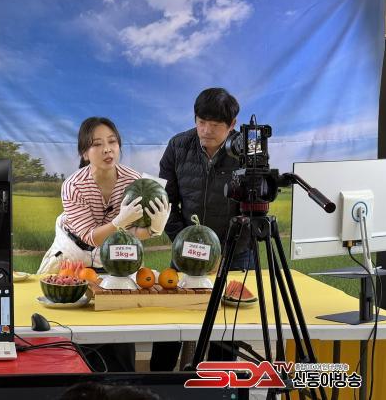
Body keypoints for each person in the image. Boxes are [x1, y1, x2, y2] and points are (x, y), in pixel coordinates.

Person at [38, 116, 171, 372]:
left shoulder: (136, 181)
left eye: (112, 142)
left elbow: (134, 233)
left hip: (117, 255)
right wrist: (119, 222)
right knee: (71, 331)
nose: (107, 149)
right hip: (74, 254)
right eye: (97, 144)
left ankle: (122, 384)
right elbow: (90, 236)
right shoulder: (73, 186)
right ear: (84, 153)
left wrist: (154, 228)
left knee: (119, 332)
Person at [150, 88, 254, 372]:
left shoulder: (248, 152)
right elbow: (165, 202)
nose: (206, 130)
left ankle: (219, 384)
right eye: (201, 122)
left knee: (225, 327)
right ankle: (159, 380)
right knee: (172, 321)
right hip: (186, 249)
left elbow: (252, 212)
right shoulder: (178, 145)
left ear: (232, 125)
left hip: (235, 251)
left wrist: (225, 254)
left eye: (215, 125)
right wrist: (183, 242)